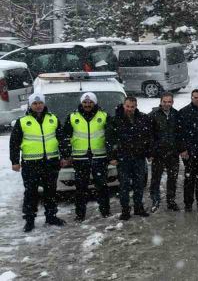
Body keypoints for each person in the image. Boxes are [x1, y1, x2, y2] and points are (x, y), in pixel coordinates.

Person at [9, 93, 66, 232]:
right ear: (30, 105)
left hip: (50, 162)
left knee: (50, 191)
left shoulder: (53, 119)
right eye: (35, 103)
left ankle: (51, 216)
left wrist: (64, 156)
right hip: (31, 164)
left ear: (44, 104)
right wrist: (15, 161)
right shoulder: (22, 121)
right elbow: (14, 143)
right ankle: (29, 220)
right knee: (31, 193)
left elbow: (62, 140)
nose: (38, 105)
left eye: (40, 103)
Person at [62, 92, 112, 221]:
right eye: (85, 102)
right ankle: (80, 214)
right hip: (80, 158)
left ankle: (105, 211)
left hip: (99, 156)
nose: (87, 104)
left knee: (102, 186)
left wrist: (112, 152)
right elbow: (65, 137)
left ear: (94, 103)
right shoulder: (73, 117)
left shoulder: (104, 115)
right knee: (81, 188)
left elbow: (111, 136)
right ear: (81, 103)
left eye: (90, 102)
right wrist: (66, 154)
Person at [108, 96, 155, 220]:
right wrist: (112, 156)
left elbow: (148, 137)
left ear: (136, 106)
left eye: (132, 107)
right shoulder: (115, 120)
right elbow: (110, 140)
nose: (130, 109)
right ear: (124, 105)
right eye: (127, 106)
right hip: (123, 158)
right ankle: (125, 210)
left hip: (139, 157)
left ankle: (138, 208)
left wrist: (149, 153)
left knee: (139, 185)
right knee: (124, 186)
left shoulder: (143, 118)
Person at [149, 92, 187, 212]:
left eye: (169, 102)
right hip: (158, 154)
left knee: (172, 178)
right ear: (160, 102)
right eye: (164, 101)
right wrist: (151, 152)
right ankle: (155, 200)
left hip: (173, 153)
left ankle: (171, 201)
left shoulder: (176, 115)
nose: (166, 104)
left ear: (172, 102)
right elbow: (149, 136)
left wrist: (181, 149)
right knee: (155, 178)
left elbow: (180, 134)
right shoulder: (153, 115)